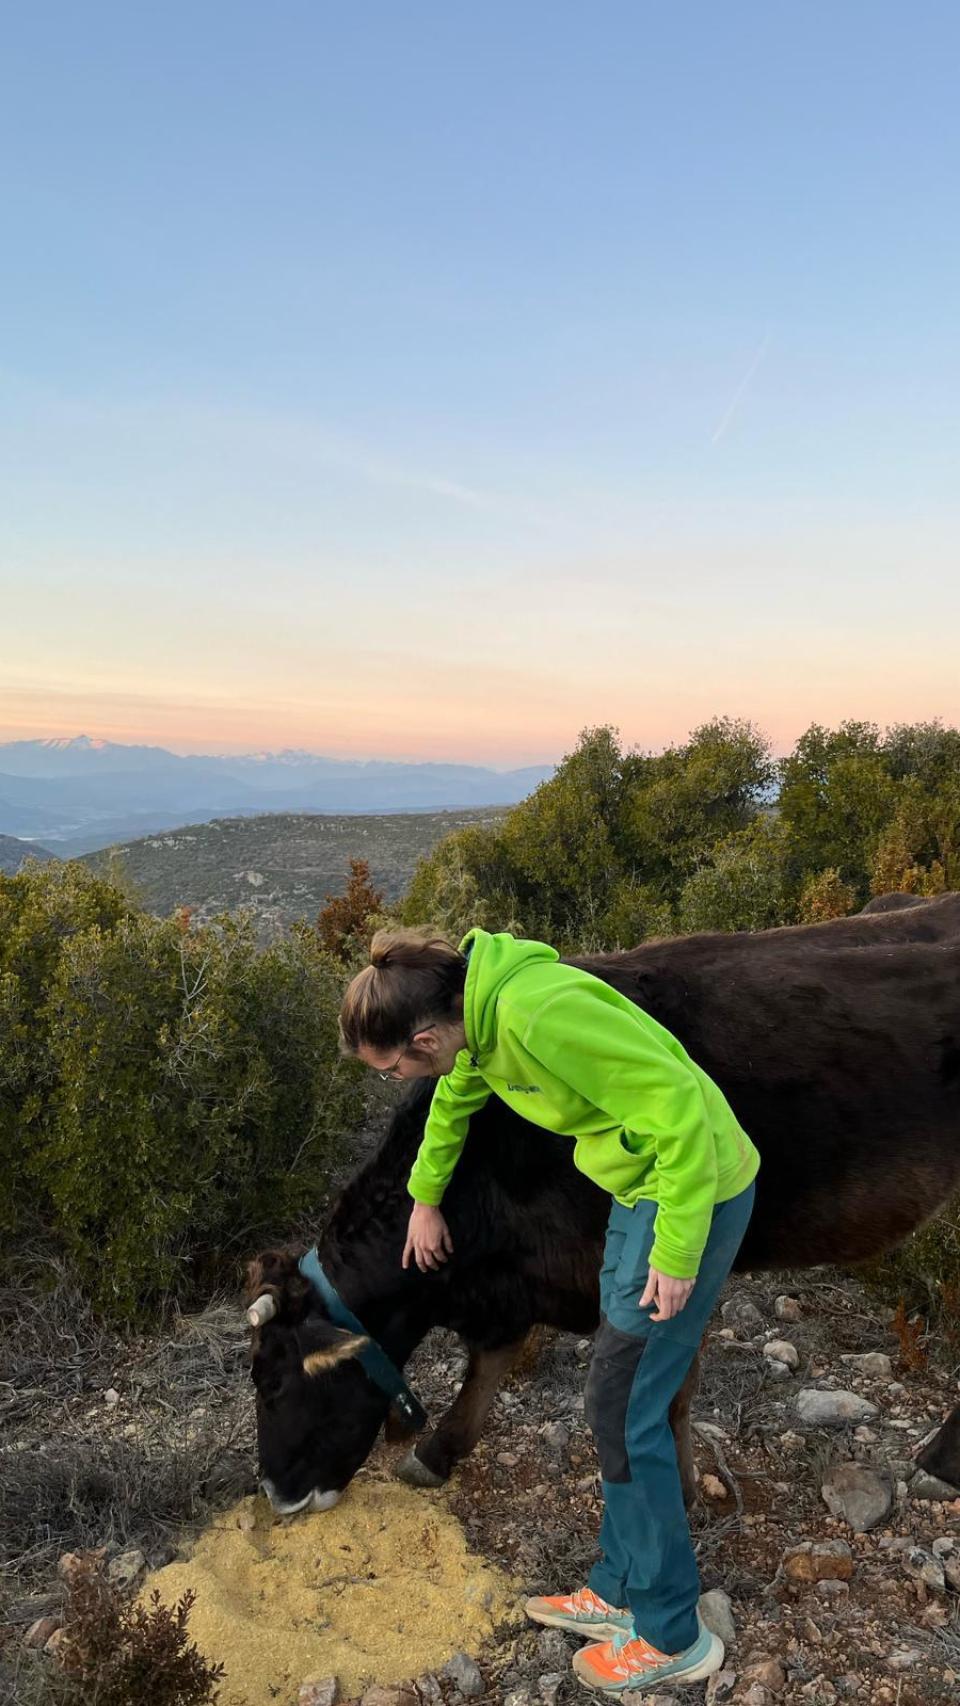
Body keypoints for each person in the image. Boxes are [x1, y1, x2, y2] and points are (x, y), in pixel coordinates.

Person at [339, 926, 759, 1695]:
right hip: (639, 1185)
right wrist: (424, 1197)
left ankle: (673, 1634)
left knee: (631, 1406)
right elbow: (455, 1098)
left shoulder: (538, 1012)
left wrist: (676, 1250)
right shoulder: (479, 1026)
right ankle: (617, 1588)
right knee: (613, 1397)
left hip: (692, 1188)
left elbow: (676, 1106)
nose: (400, 1077)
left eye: (395, 1065)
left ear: (423, 1037)